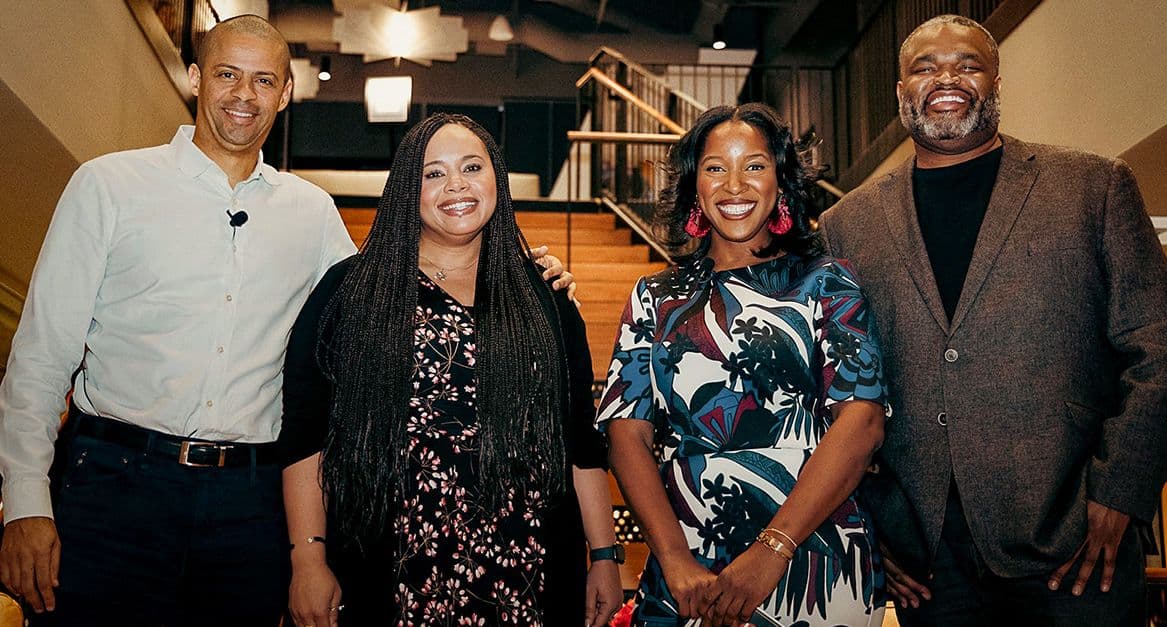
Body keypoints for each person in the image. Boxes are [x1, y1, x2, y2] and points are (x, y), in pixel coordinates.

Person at [0, 15, 573, 625]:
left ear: (285, 93)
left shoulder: (312, 212)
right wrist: (25, 504)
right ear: (195, 78)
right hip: (114, 486)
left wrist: (526, 271)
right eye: (227, 75)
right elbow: (40, 357)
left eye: (263, 80)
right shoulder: (109, 186)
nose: (244, 95)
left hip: (250, 505)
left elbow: (394, 299)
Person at [819, 14, 1167, 627]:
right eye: (924, 67)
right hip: (927, 565)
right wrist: (868, 526)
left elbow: (1161, 351)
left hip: (1074, 547)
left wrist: (1120, 494)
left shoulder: (1092, 188)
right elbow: (834, 389)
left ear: (996, 81)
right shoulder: (846, 224)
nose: (947, 78)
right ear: (900, 92)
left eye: (967, 64)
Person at [279, 113, 623, 627]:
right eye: (433, 173)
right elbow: (307, 435)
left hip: (528, 569)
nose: (455, 185)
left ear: (496, 182)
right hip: (389, 569)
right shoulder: (351, 292)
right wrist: (307, 557)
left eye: (471, 167)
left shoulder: (542, 297)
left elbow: (578, 438)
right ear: (405, 191)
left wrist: (603, 555)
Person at [598, 103, 888, 627]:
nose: (735, 185)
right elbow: (626, 437)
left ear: (781, 182)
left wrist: (773, 550)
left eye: (754, 165)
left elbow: (862, 423)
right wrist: (674, 561)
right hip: (687, 578)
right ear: (694, 186)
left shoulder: (828, 283)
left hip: (812, 564)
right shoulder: (655, 297)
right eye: (715, 168)